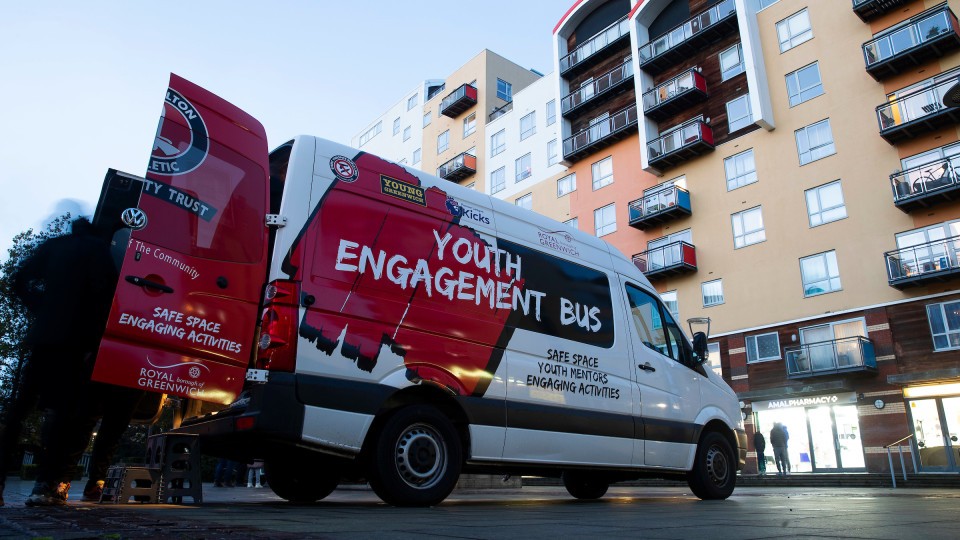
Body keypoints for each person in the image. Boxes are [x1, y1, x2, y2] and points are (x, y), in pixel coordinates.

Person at [11, 217, 120, 506]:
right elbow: (104, 295)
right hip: (73, 341)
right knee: (62, 414)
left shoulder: (54, 246)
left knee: (19, 410)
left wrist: (40, 307)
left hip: (42, 337)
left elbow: (20, 280)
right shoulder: (98, 250)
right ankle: (45, 483)